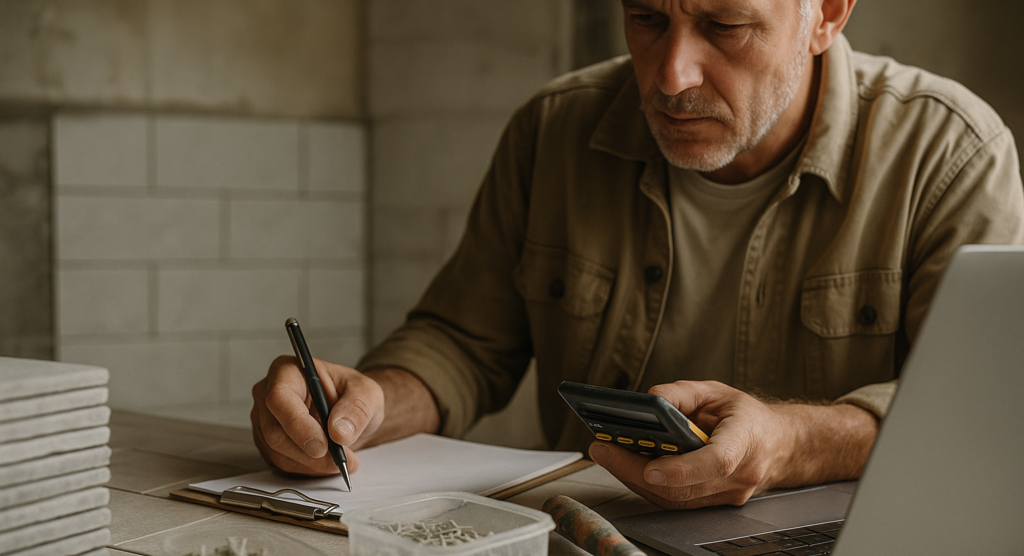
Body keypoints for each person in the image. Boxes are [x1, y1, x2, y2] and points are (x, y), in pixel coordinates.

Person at [251, 0, 1024, 509]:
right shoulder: (550, 131)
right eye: (647, 16)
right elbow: (461, 341)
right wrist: (368, 403)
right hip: (591, 543)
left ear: (825, 13)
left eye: (724, 24)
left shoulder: (950, 153)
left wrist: (790, 444)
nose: (670, 75)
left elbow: (978, 420)